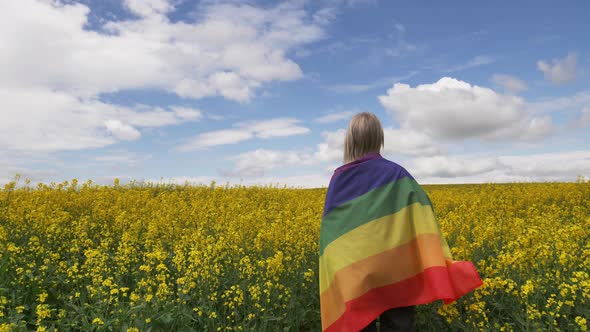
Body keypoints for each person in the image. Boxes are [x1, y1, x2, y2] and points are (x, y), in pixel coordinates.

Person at [318, 112, 483, 332]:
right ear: (379, 138)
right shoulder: (397, 173)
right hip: (396, 269)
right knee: (399, 324)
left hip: (355, 271)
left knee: (359, 323)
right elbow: (421, 211)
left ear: (350, 139)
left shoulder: (341, 179)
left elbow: (331, 229)